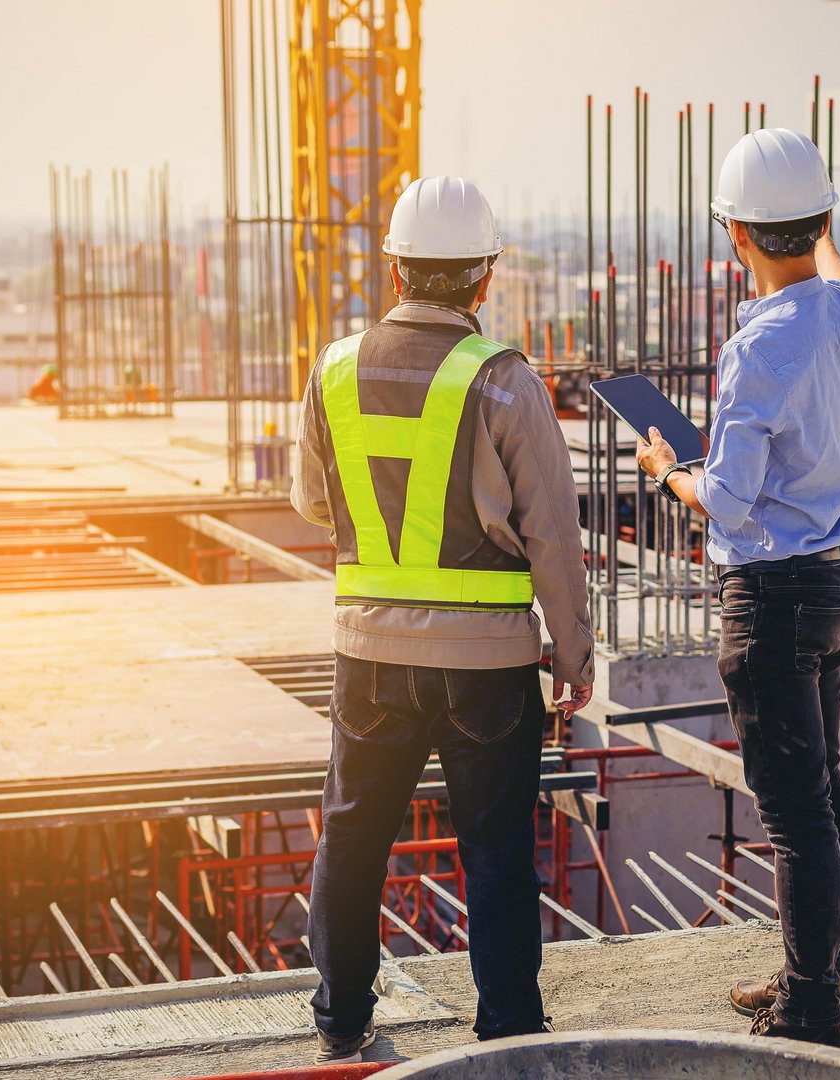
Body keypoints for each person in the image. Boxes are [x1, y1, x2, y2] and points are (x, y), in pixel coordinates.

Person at [292, 176, 593, 1064]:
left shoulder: (335, 368)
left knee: (351, 839)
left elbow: (314, 501)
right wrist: (572, 655)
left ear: (394, 270)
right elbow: (554, 536)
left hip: (368, 654)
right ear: (484, 277)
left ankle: (342, 1026)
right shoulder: (503, 381)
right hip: (487, 667)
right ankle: (506, 1033)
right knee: (497, 851)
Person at [634, 128, 840, 1049]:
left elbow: (728, 507)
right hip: (835, 588)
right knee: (822, 796)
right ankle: (818, 977)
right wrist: (814, 221)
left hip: (771, 598)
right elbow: (834, 269)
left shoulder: (758, 346)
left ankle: (810, 1006)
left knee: (796, 813)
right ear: (818, 223)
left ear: (734, 236)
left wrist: (665, 467)